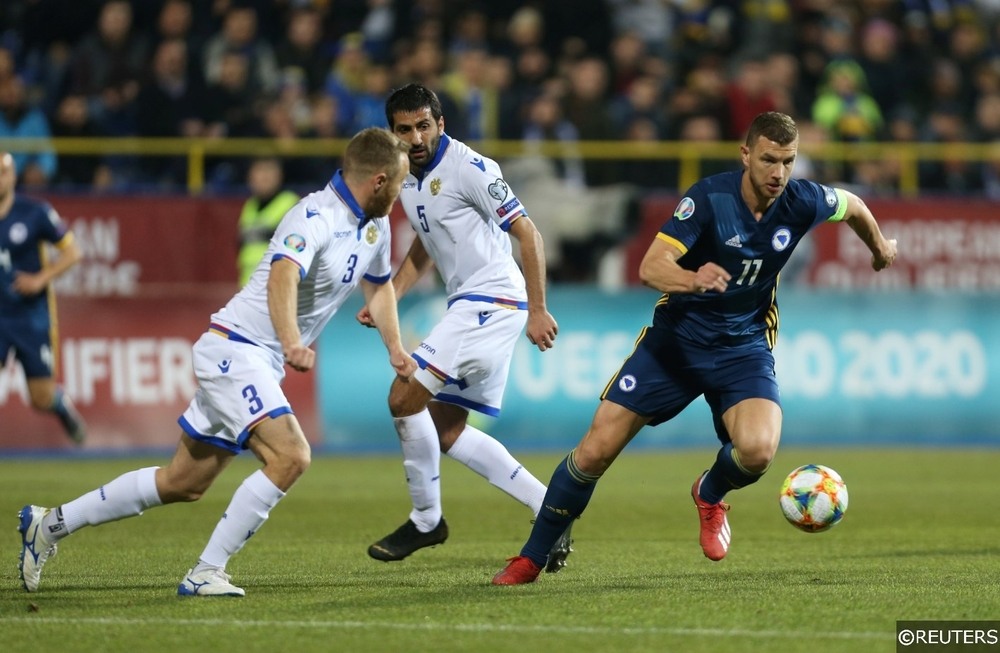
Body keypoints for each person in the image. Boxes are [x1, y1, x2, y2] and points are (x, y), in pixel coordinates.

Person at [492, 111, 898, 585]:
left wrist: (879, 250)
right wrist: (691, 278)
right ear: (746, 154)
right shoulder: (709, 199)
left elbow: (851, 205)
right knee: (595, 451)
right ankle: (531, 558)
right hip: (675, 346)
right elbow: (650, 267)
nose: (777, 173)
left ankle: (710, 491)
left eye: (787, 161)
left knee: (759, 451)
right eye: (769, 159)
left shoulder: (802, 199)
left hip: (743, 347)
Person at [17, 127, 417, 597]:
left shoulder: (374, 224)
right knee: (291, 456)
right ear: (378, 180)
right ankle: (206, 570)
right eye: (399, 183)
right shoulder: (314, 216)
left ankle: (49, 524)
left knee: (183, 482)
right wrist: (291, 340)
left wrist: (394, 347)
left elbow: (380, 286)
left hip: (256, 360)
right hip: (237, 348)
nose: (401, 192)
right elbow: (282, 275)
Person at [357, 83, 571, 570]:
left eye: (423, 126)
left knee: (403, 396)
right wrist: (389, 296)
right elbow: (424, 246)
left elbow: (528, 232)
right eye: (404, 129)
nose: (415, 137)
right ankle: (550, 512)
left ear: (441, 124)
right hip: (475, 303)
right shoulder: (405, 176)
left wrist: (538, 308)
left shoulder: (472, 169)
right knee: (446, 429)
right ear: (393, 132)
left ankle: (426, 520)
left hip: (492, 299)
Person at [0, 151, 86, 444]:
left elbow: (72, 252)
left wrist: (39, 279)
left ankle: (61, 406)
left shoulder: (35, 212)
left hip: (30, 316)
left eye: (3, 172)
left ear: (13, 177)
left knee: (40, 398)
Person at [237, 158, 299, 286]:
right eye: (259, 171)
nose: (264, 177)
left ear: (279, 175)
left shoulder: (290, 203)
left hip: (276, 285)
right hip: (248, 286)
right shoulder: (249, 206)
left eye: (269, 171)